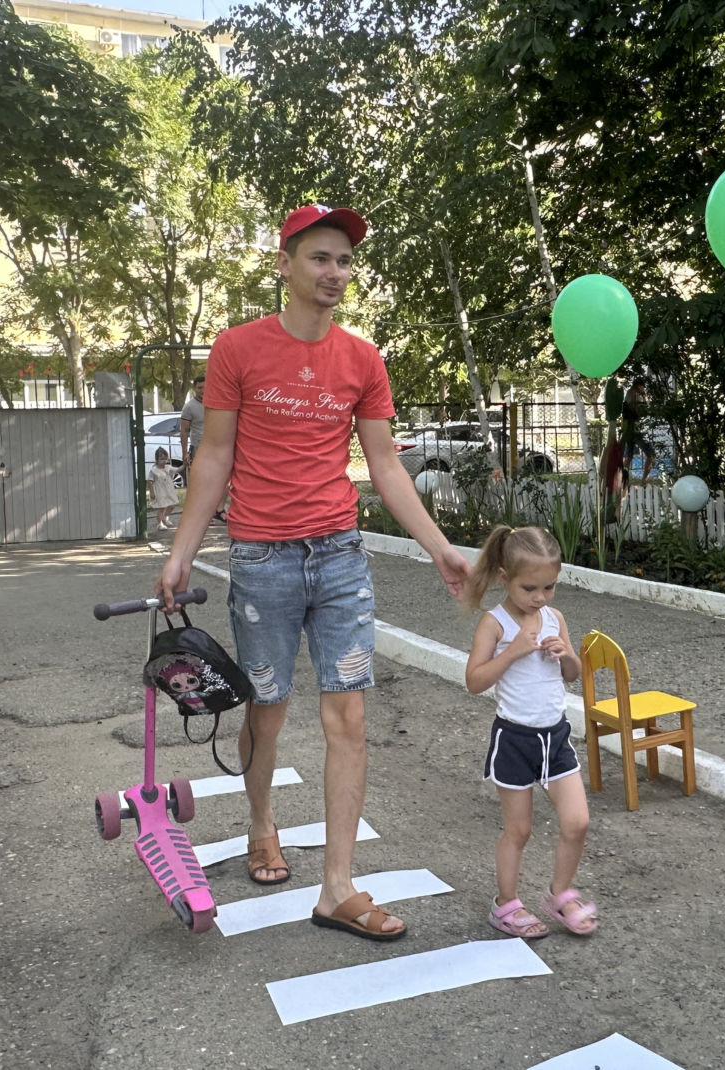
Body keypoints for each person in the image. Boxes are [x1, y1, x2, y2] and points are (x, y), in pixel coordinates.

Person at [156, 203, 471, 942]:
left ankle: (337, 885)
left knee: (349, 714)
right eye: (321, 258)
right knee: (268, 707)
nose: (335, 274)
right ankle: (262, 821)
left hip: (338, 555)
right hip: (262, 558)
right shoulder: (237, 349)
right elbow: (215, 457)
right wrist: (181, 549)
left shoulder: (363, 359)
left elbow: (385, 464)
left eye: (344, 262)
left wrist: (438, 545)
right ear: (286, 264)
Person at [460, 525, 596, 939]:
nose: (540, 597)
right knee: (519, 830)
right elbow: (474, 680)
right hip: (515, 740)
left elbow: (573, 675)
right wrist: (514, 651)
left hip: (554, 737)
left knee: (577, 822)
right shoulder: (494, 624)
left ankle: (560, 895)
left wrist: (568, 654)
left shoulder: (554, 618)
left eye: (549, 587)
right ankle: (505, 905)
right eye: (530, 588)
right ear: (505, 578)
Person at [178, 375, 228, 521]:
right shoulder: (189, 407)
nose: (203, 390)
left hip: (218, 448)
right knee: (201, 483)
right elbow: (184, 431)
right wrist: (184, 453)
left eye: (206, 387)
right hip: (198, 448)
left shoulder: (218, 403)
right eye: (200, 387)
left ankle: (218, 509)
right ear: (195, 388)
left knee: (224, 480)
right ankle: (202, 516)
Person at [148, 447, 181, 529]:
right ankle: (160, 523)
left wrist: (184, 465)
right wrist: (152, 492)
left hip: (169, 491)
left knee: (172, 505)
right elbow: (150, 481)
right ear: (157, 460)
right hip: (160, 492)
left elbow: (178, 470)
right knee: (161, 507)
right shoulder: (153, 470)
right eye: (161, 459)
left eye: (165, 459)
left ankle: (165, 517)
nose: (163, 461)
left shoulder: (168, 468)